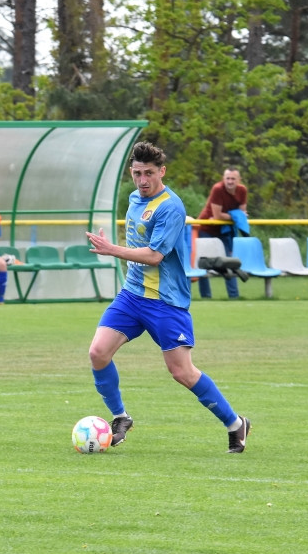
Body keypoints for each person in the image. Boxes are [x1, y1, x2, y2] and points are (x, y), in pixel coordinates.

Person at [85, 142, 250, 453]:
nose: (143, 180)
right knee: (98, 353)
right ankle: (120, 418)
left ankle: (235, 424)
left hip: (166, 302)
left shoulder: (171, 207)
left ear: (162, 171)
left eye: (149, 173)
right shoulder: (135, 198)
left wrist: (112, 250)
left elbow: (155, 255)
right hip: (132, 296)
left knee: (182, 372)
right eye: (137, 173)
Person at [196, 168, 248, 299]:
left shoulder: (242, 191)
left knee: (229, 262)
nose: (230, 181)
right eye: (227, 178)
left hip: (224, 231)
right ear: (223, 179)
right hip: (206, 228)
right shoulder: (218, 189)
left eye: (233, 179)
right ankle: (206, 297)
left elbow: (242, 215)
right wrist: (234, 215)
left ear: (239, 180)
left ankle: (234, 296)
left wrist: (231, 216)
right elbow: (218, 215)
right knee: (204, 262)